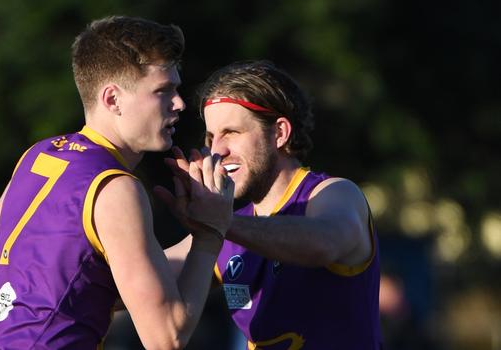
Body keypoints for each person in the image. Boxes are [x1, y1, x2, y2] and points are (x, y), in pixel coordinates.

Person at [0, 16, 234, 350]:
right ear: (112, 99)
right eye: (163, 90)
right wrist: (210, 234)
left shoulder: (40, 157)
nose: (178, 103)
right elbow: (166, 336)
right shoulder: (116, 189)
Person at [159, 60, 382, 349]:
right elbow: (137, 281)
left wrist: (221, 223)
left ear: (279, 133)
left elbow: (325, 242)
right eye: (211, 137)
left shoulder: (334, 193)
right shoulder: (223, 227)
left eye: (232, 133)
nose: (217, 151)